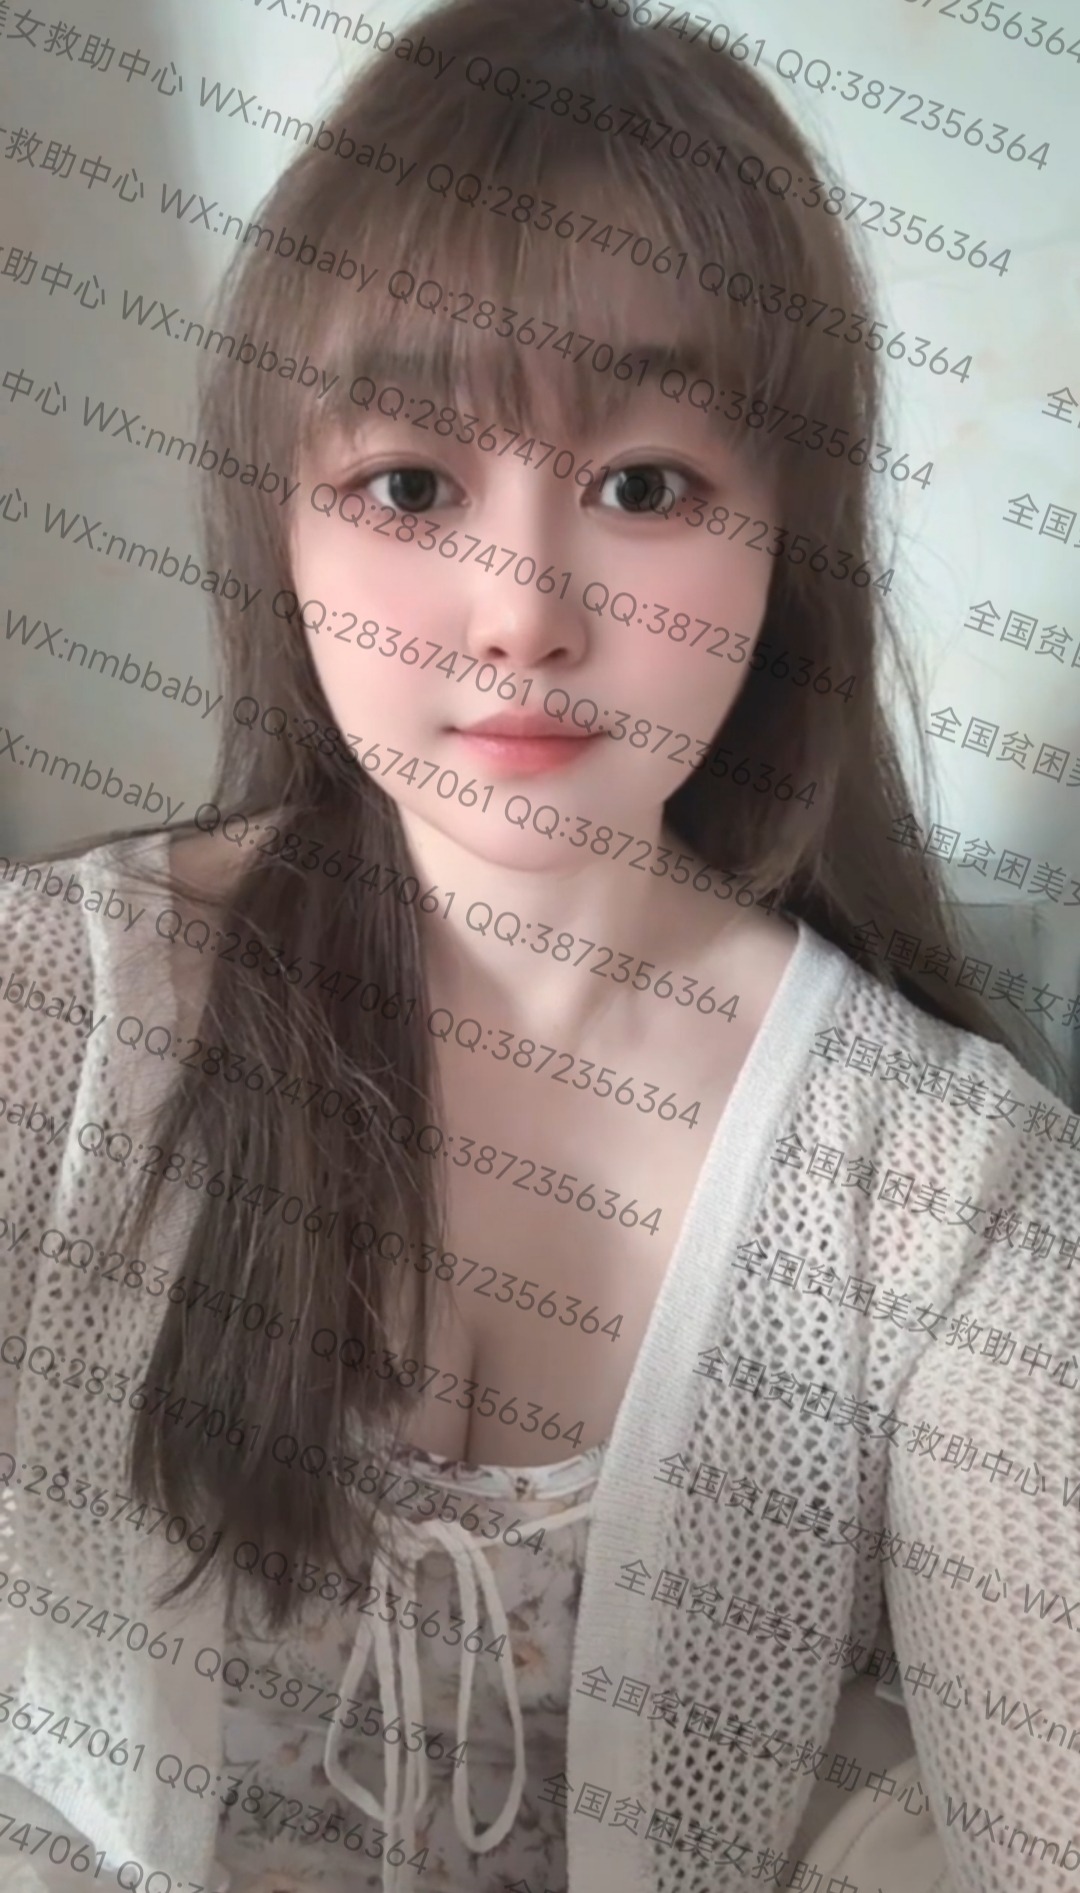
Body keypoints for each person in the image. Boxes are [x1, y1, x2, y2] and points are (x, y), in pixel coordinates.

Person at [0, 0, 1077, 1888]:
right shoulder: (50, 1010)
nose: (521, 611)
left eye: (645, 485)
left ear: (786, 542)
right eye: (411, 485)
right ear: (282, 525)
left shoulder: (952, 1183)